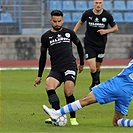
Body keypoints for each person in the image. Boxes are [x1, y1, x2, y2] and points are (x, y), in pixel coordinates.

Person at [43, 59, 133, 127]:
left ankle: (57, 113)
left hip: (115, 85)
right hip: (128, 92)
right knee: (117, 121)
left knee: (85, 100)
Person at [34, 10, 84, 126]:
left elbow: (79, 46)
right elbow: (43, 57)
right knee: (49, 85)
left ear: (63, 20)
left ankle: (72, 118)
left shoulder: (69, 33)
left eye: (59, 21)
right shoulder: (46, 37)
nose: (57, 24)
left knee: (68, 91)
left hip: (70, 66)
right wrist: (39, 75)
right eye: (55, 21)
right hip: (56, 69)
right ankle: (56, 115)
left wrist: (81, 63)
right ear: (51, 21)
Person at [73, 0, 118, 90]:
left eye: (100, 3)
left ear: (103, 4)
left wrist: (106, 31)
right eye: (96, 3)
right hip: (89, 43)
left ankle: (94, 83)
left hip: (101, 44)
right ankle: (98, 87)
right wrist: (73, 33)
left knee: (97, 67)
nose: (98, 5)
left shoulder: (107, 15)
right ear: (93, 3)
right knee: (92, 68)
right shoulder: (87, 13)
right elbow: (80, 22)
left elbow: (115, 28)